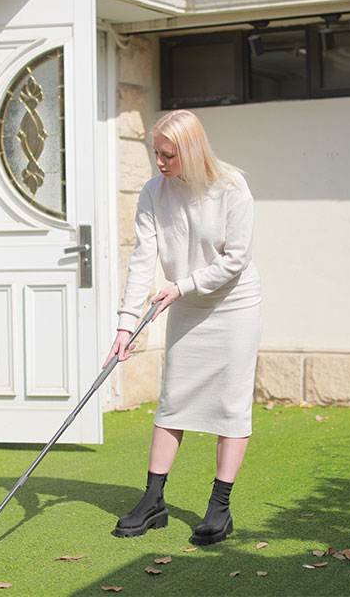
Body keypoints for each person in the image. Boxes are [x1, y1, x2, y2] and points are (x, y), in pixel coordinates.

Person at [104, 109, 262, 545]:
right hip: (187, 305)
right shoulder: (154, 193)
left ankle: (219, 508)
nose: (159, 162)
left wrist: (182, 286)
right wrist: (124, 325)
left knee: (231, 406)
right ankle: (153, 501)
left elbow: (236, 258)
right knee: (174, 399)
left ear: (190, 152)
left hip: (233, 305)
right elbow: (142, 260)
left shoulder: (231, 187)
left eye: (168, 155)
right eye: (156, 153)